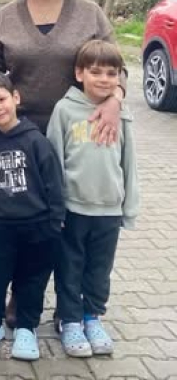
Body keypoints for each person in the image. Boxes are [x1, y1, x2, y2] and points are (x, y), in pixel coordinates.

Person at [0, 0, 125, 328]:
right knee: (25, 221)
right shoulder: (7, 16)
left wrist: (115, 99)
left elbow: (115, 66)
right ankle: (21, 294)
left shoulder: (90, 14)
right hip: (21, 135)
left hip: (80, 133)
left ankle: (69, 304)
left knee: (70, 222)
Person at [47, 40, 139, 358]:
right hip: (73, 208)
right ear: (79, 73)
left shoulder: (121, 114)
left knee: (99, 271)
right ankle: (70, 320)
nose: (103, 79)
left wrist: (129, 206)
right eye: (95, 72)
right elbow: (54, 160)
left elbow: (129, 162)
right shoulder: (64, 110)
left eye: (111, 73)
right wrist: (55, 208)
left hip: (109, 210)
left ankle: (92, 317)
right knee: (69, 267)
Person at [0, 74, 65, 362]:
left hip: (38, 226)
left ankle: (26, 328)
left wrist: (54, 222)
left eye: (2, 99)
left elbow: (54, 183)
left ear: (16, 98)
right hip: (0, 226)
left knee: (32, 280)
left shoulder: (36, 141)